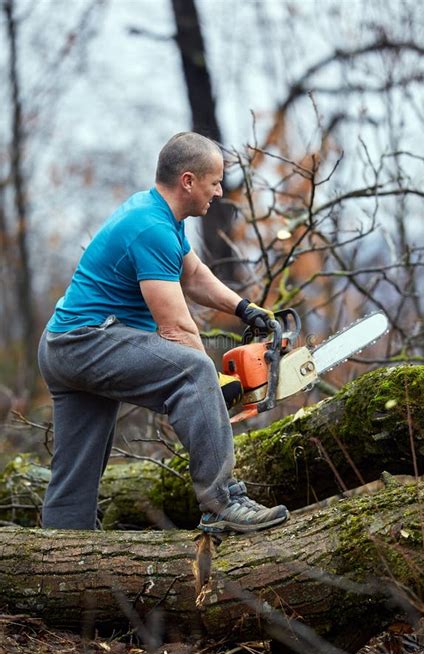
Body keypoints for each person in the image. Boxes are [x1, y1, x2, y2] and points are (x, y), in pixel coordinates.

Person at [38, 131, 289, 534]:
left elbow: (193, 274)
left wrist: (245, 309)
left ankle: (61, 551)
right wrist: (215, 381)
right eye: (214, 182)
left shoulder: (158, 216)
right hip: (85, 342)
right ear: (188, 180)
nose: (220, 191)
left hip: (63, 345)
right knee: (192, 370)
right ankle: (222, 501)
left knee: (76, 472)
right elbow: (175, 328)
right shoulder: (150, 227)